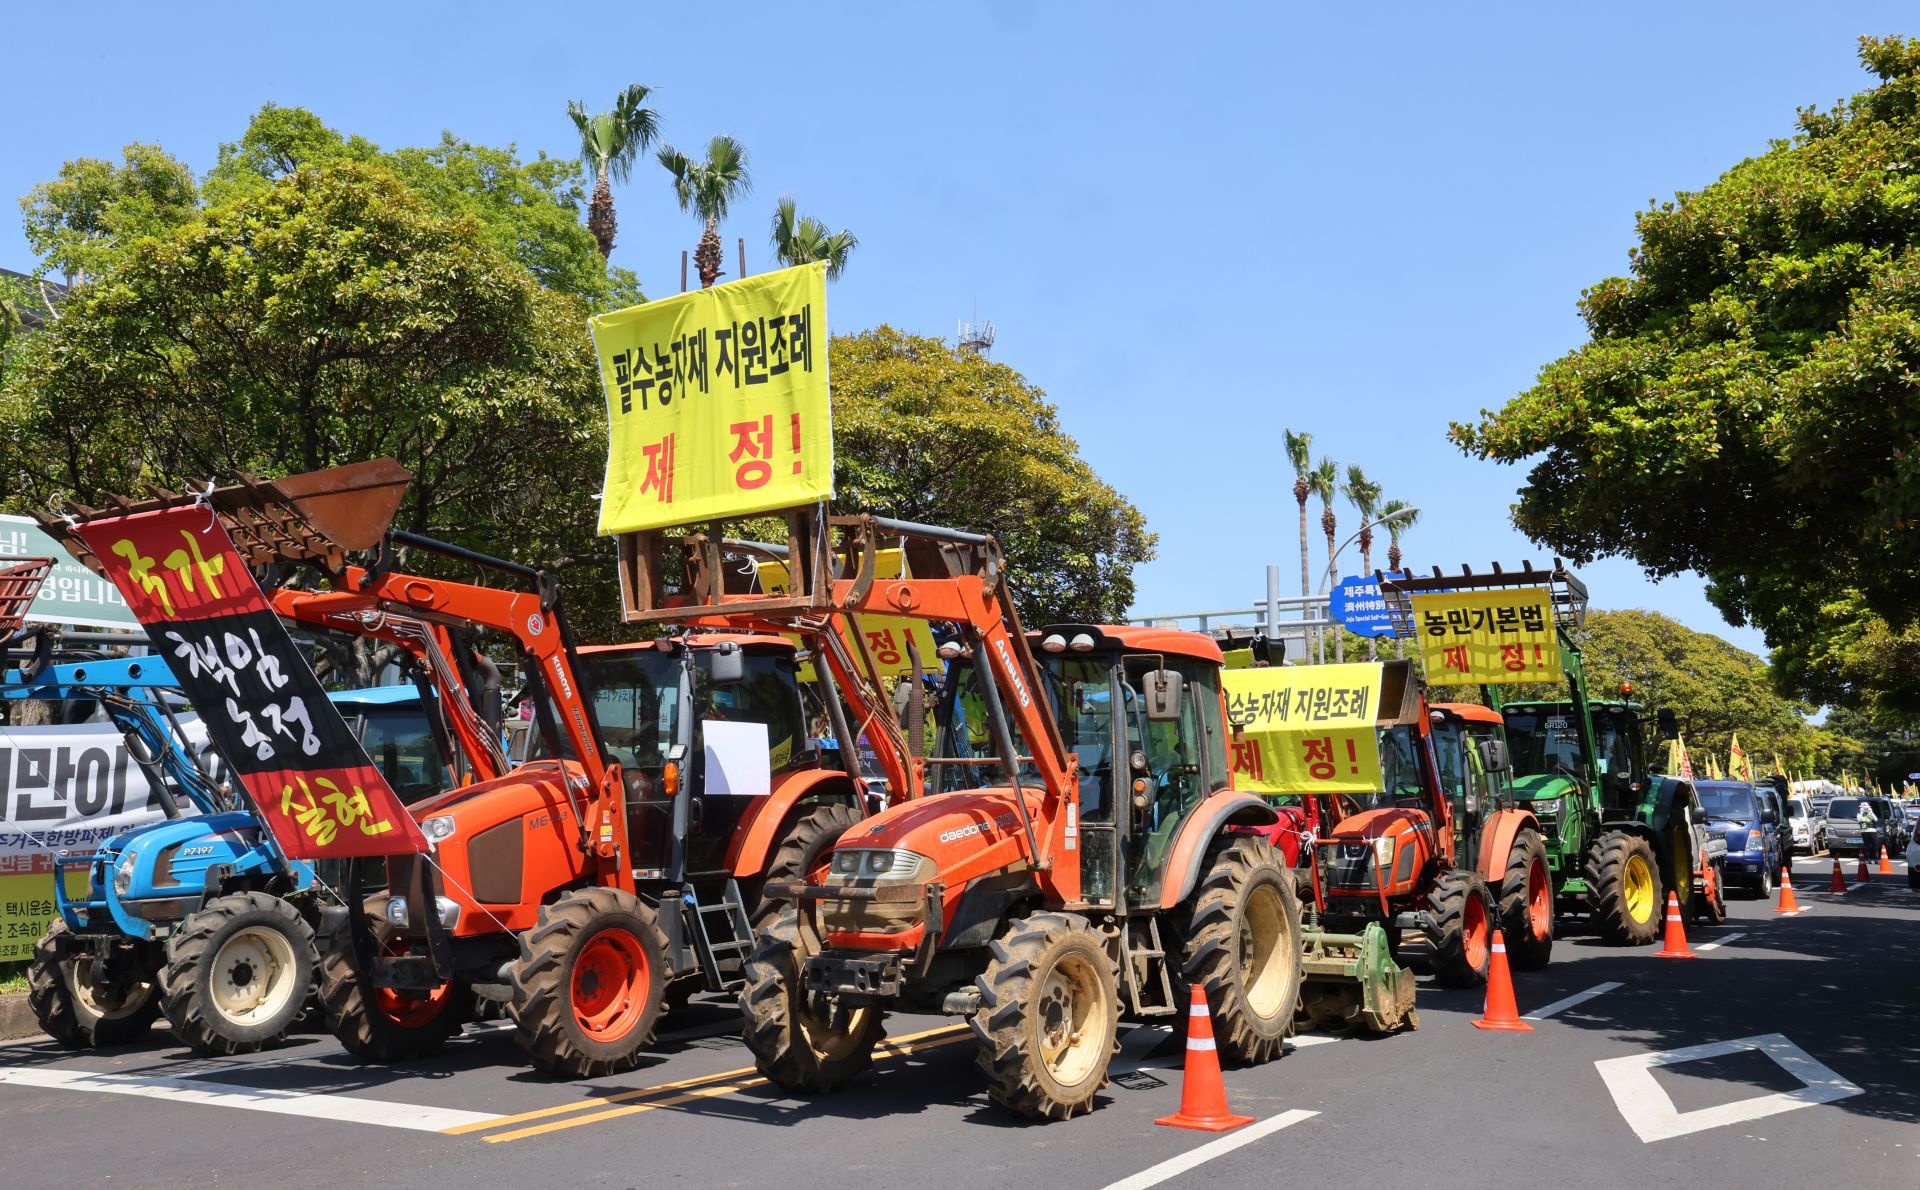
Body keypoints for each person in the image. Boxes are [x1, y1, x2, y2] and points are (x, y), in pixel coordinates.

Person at [1858, 797, 1880, 862]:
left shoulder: (1871, 813)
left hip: (1872, 831)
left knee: (1875, 846)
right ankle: (1868, 859)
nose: (1865, 809)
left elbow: (1876, 819)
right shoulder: (1859, 814)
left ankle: (1876, 859)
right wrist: (1862, 812)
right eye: (1863, 807)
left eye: (1866, 807)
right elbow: (1859, 820)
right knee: (1866, 846)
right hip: (1864, 832)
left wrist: (1871, 811)